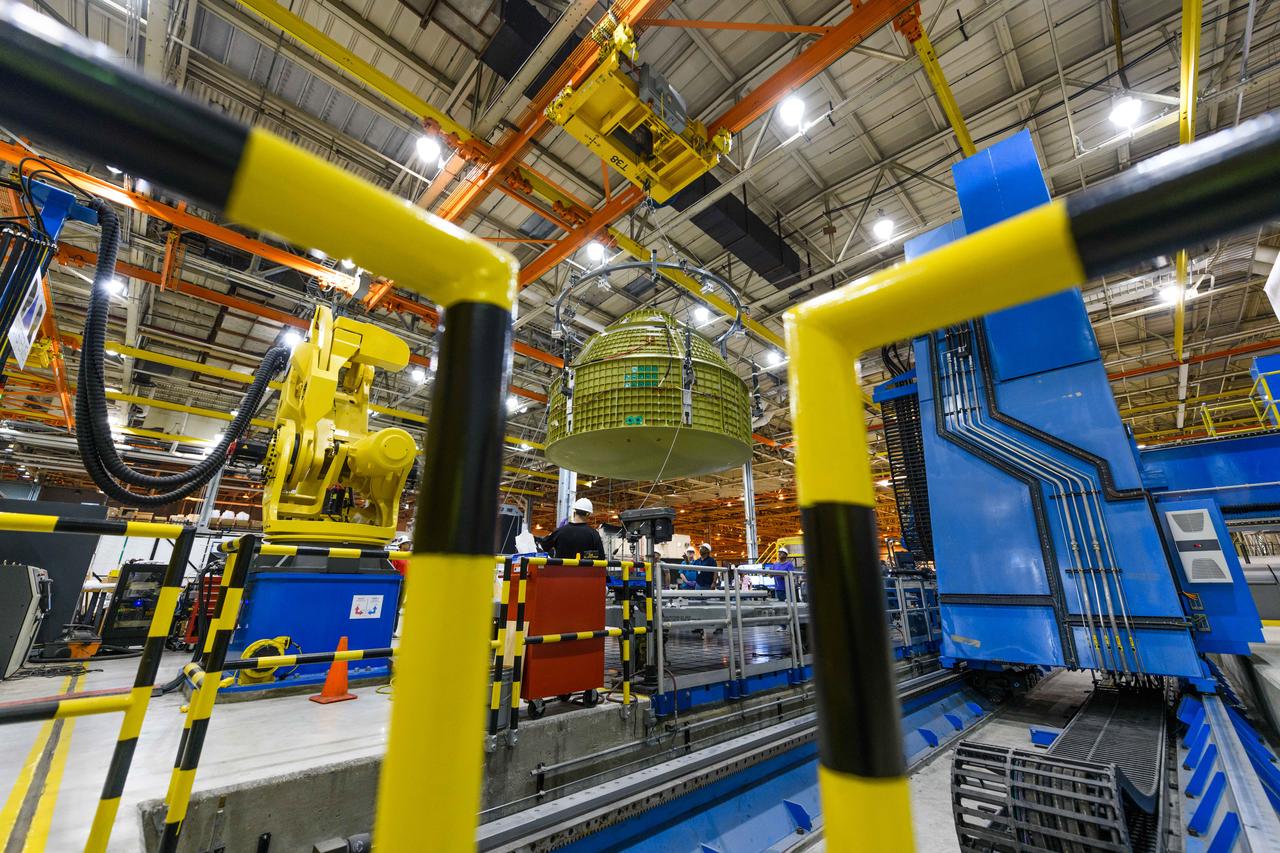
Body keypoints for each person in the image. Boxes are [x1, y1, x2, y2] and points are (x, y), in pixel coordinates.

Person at [538, 497, 604, 559]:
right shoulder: (594, 534)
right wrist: (585, 555)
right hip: (585, 570)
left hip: (561, 570)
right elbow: (601, 557)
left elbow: (543, 546)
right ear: (588, 514)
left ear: (574, 512)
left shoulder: (560, 532)